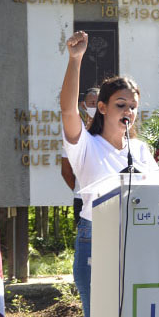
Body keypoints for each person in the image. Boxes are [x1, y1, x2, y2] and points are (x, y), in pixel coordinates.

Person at [60, 31, 154, 317]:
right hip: (95, 242)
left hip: (138, 243)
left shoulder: (141, 152)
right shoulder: (86, 145)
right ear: (102, 107)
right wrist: (75, 60)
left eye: (132, 106)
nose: (128, 112)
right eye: (120, 105)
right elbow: (68, 109)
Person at [61, 87, 100, 225]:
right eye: (91, 102)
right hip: (82, 199)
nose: (95, 106)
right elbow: (65, 170)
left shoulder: (111, 131)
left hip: (107, 199)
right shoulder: (77, 132)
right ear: (84, 105)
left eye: (98, 102)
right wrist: (81, 188)